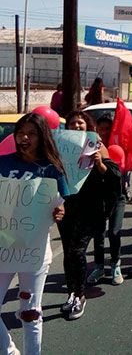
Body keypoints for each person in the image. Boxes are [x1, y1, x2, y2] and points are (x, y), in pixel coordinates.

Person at [0, 113, 68, 355]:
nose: (24, 138)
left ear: (42, 136)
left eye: (31, 133)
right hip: (4, 248)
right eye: (20, 133)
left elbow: (62, 201)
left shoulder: (53, 169)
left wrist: (60, 210)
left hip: (34, 251)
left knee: (31, 313)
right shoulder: (2, 162)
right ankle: (9, 351)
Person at [58, 111, 121, 320]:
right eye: (72, 123)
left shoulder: (97, 145)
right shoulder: (61, 146)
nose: (76, 126)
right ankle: (71, 293)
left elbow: (114, 176)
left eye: (80, 122)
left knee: (77, 251)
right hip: (68, 207)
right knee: (68, 252)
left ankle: (80, 294)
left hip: (89, 208)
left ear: (88, 126)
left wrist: (100, 164)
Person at [87, 115, 126, 286]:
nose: (104, 132)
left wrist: (102, 163)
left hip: (117, 197)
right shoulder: (91, 147)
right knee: (99, 234)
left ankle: (115, 263)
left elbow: (116, 176)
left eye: (108, 128)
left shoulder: (118, 147)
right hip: (98, 198)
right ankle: (99, 266)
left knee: (114, 231)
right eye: (101, 128)